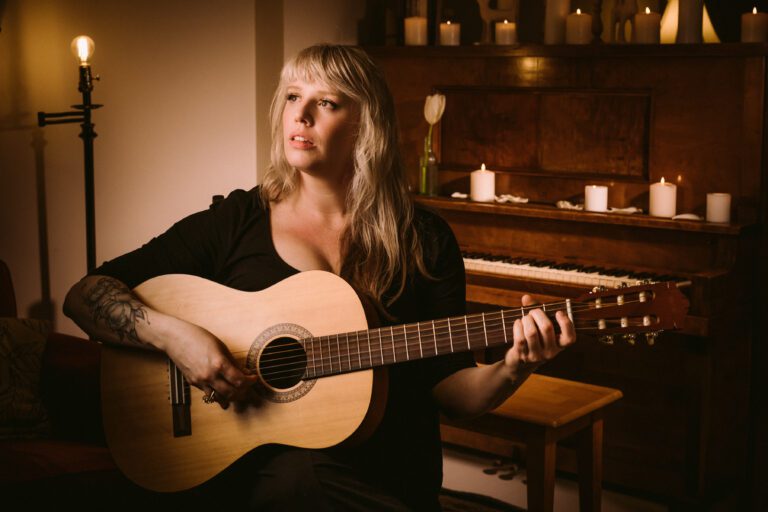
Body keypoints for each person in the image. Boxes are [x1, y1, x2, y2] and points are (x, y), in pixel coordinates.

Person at [64, 44, 576, 511]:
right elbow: (86, 295)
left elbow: (454, 394)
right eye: (292, 96)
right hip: (248, 466)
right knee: (300, 477)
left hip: (388, 472)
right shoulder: (238, 219)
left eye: (326, 102)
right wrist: (179, 338)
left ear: (365, 124)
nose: (301, 115)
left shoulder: (423, 239)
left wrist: (515, 365)